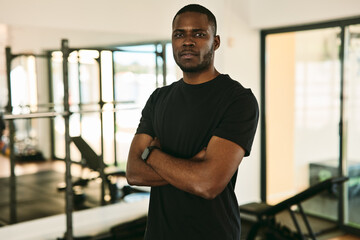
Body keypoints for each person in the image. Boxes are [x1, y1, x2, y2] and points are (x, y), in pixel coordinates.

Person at [126, 4, 259, 240]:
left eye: (198, 34)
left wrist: (152, 155)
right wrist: (192, 166)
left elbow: (208, 184)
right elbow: (134, 173)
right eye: (180, 34)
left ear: (215, 42)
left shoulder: (238, 100)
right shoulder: (159, 98)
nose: (187, 41)